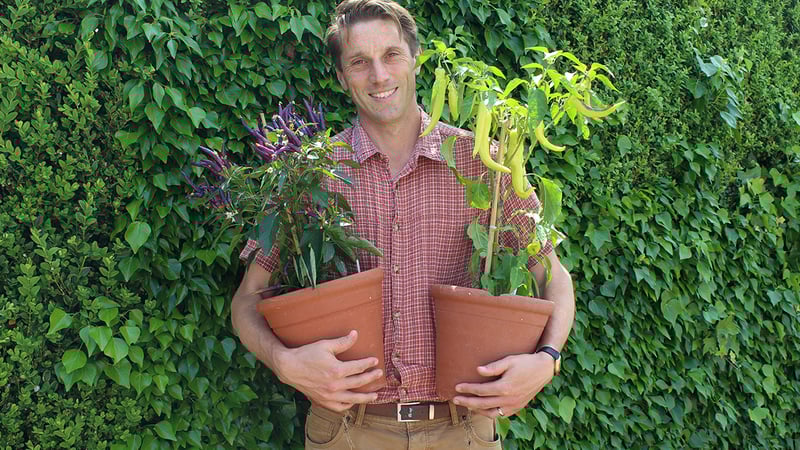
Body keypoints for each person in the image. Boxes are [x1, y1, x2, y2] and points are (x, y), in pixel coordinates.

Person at [231, 0, 576, 448]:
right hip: (347, 431)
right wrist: (282, 361)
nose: (379, 76)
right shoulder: (309, 173)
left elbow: (555, 278)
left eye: (391, 55)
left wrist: (546, 360)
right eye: (359, 62)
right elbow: (247, 300)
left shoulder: (483, 163)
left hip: (463, 428)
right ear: (341, 77)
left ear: (415, 58)